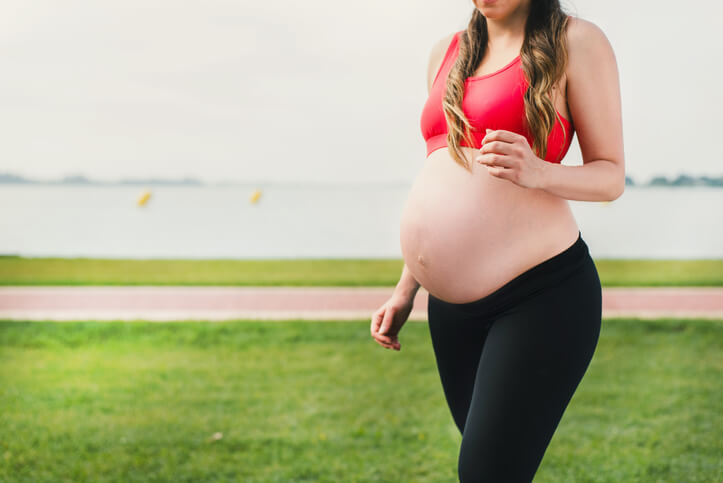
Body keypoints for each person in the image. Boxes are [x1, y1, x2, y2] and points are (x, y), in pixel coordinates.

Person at [370, 0, 624, 480]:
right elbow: (443, 171)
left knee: (486, 473)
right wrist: (407, 288)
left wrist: (539, 171)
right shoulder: (447, 51)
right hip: (451, 311)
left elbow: (610, 176)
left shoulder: (577, 42)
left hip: (540, 297)